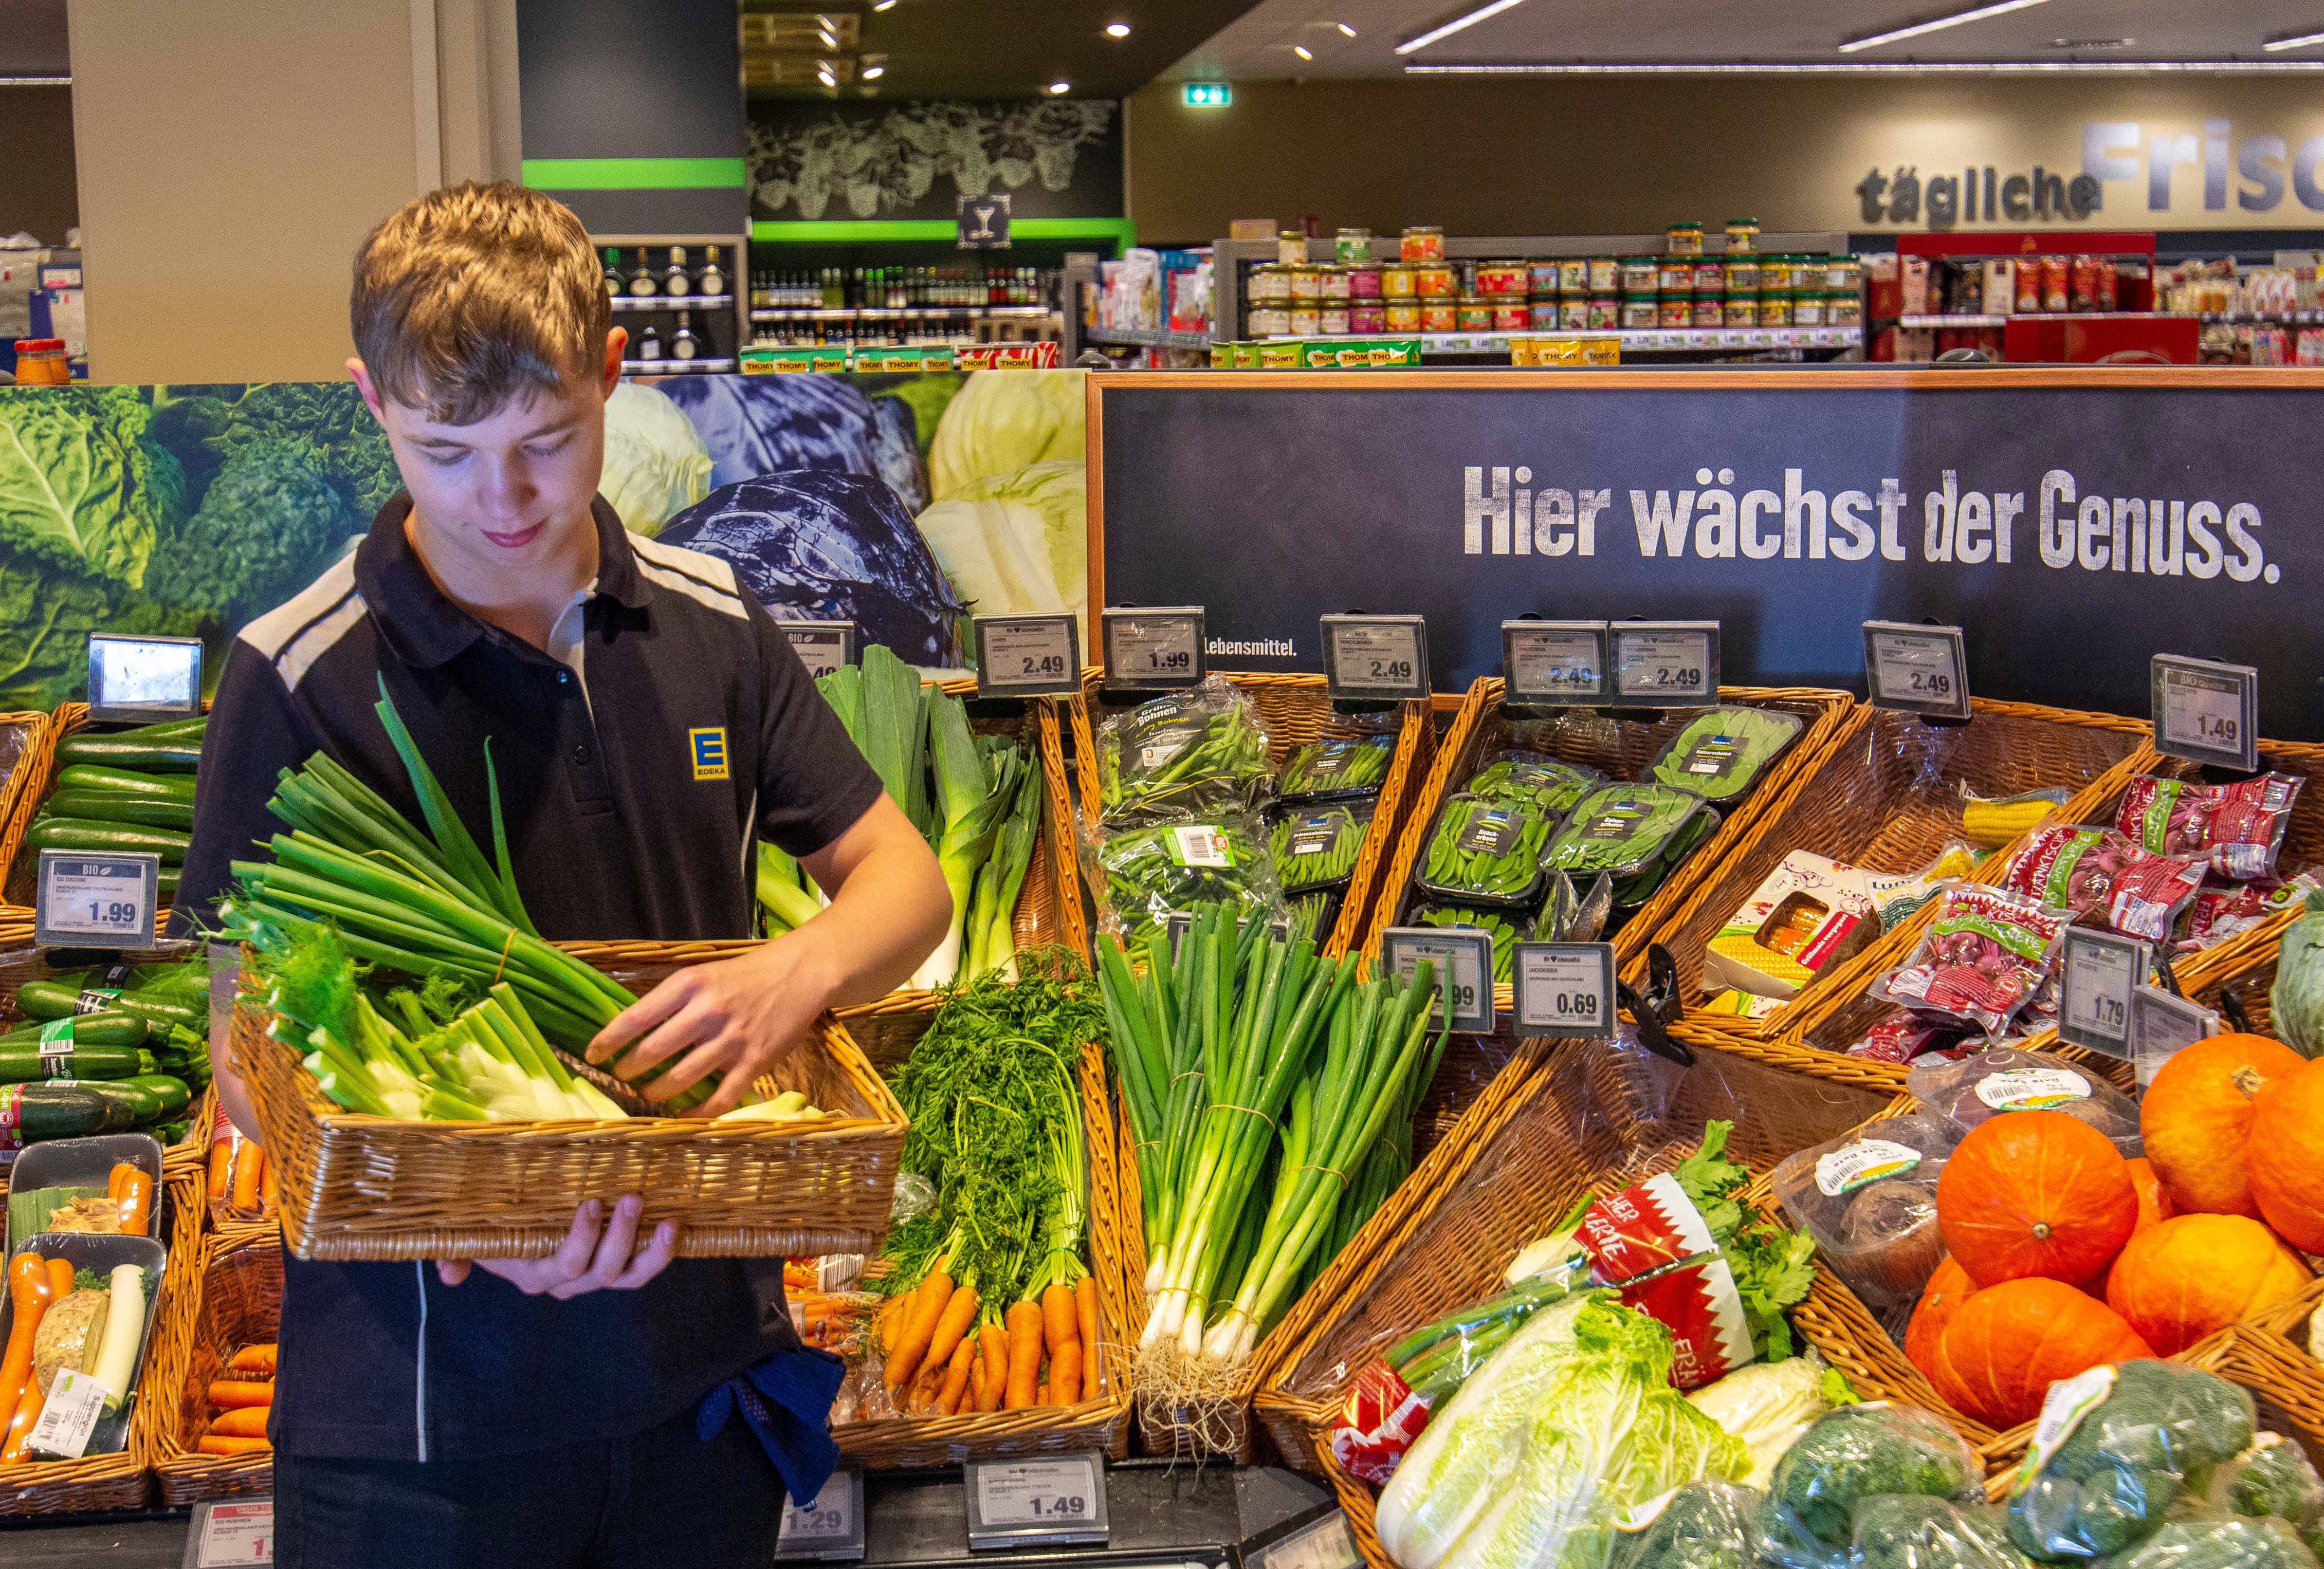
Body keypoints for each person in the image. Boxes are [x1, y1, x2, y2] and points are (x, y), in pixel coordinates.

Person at [171, 182, 950, 1567]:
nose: (504, 498)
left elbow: (905, 881)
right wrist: (488, 1207)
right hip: (419, 1435)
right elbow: (247, 1055)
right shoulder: (297, 674)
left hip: (697, 1385)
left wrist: (797, 973)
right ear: (370, 402)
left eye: (547, 442)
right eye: (445, 451)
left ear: (611, 374)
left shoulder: (713, 624)